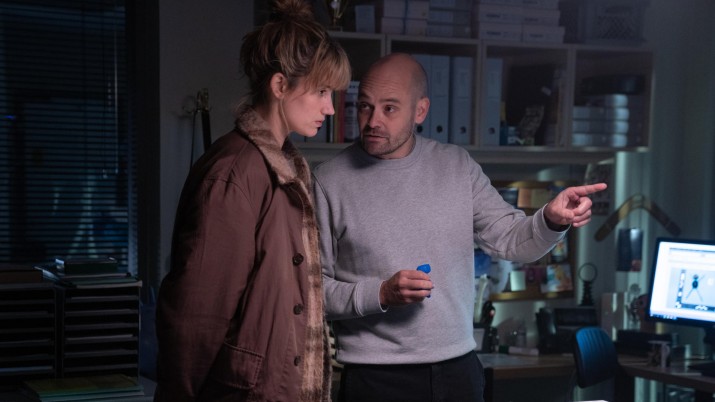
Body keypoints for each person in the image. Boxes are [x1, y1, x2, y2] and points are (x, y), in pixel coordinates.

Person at [312, 52, 607, 402]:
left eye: (389, 108)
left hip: (458, 373)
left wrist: (551, 219)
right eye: (365, 106)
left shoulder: (456, 166)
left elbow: (512, 239)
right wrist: (381, 294)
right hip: (374, 378)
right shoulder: (328, 180)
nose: (373, 120)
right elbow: (312, 293)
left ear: (420, 111)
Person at [153, 1, 351, 401]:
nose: (330, 108)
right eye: (321, 92)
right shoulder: (235, 172)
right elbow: (197, 314)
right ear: (280, 86)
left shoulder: (284, 168)